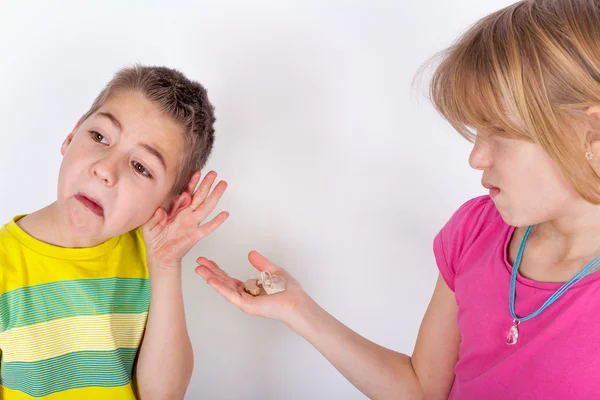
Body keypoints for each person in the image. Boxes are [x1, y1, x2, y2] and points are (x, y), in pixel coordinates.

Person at [196, 1, 600, 398]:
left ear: (591, 129)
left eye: (499, 130)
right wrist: (298, 309)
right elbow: (422, 388)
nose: (476, 156)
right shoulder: (476, 231)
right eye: (477, 131)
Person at [0, 65, 228, 399]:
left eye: (140, 167)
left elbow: (162, 395)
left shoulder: (152, 259)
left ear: (169, 203)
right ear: (71, 135)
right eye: (100, 137)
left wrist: (165, 265)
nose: (105, 169)